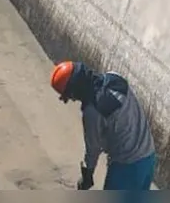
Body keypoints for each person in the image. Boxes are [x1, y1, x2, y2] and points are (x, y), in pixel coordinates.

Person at [50, 61, 157, 191]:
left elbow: (93, 148)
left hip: (127, 167)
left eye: (70, 95)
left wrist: (87, 176)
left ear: (75, 90)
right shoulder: (115, 78)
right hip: (149, 157)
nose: (72, 99)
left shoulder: (92, 111)